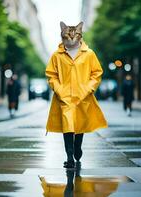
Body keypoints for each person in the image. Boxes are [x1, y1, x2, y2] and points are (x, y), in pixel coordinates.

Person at [45, 21, 107, 169]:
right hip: (64, 97)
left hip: (83, 96)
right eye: (68, 35)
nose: (72, 38)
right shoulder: (57, 55)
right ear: (63, 36)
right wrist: (59, 89)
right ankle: (69, 157)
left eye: (75, 34)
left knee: (79, 125)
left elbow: (96, 73)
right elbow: (51, 75)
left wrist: (88, 89)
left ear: (80, 35)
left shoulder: (89, 54)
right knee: (68, 125)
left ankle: (77, 148)